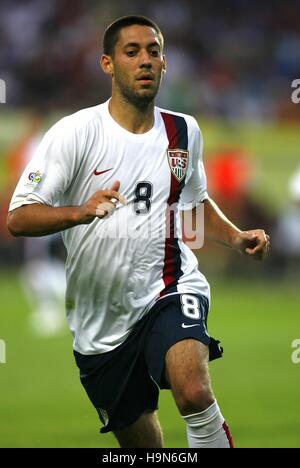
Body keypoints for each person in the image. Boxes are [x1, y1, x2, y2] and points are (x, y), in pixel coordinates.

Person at [7, 16, 270, 448]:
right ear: (107, 64)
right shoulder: (75, 133)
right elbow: (19, 217)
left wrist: (236, 236)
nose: (145, 61)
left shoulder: (183, 130)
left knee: (194, 391)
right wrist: (80, 212)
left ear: (165, 63)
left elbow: (195, 202)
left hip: (168, 285)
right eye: (132, 52)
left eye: (153, 51)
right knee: (144, 446)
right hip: (100, 321)